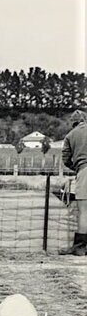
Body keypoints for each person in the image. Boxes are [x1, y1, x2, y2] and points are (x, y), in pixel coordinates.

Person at [60, 110, 87, 256]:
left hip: (84, 171)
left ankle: (80, 247)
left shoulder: (70, 136)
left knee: (84, 212)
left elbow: (66, 159)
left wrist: (77, 168)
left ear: (73, 123)